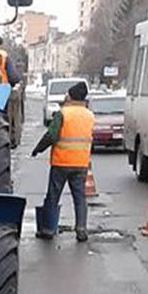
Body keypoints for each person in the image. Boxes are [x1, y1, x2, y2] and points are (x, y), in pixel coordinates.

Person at [31, 82, 94, 242]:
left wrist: (38, 149)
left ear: (70, 96)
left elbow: (52, 135)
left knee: (53, 196)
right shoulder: (89, 115)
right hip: (81, 163)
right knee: (80, 198)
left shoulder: (63, 114)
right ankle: (81, 230)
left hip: (62, 162)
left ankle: (48, 229)